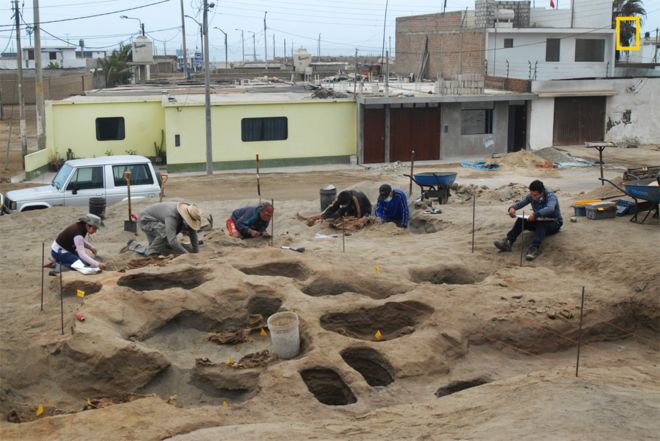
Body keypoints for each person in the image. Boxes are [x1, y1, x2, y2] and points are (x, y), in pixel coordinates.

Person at [494, 180, 563, 261]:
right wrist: (512, 208)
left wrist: (535, 215)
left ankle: (534, 248)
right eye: (531, 194)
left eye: (535, 195)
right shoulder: (531, 195)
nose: (533, 197)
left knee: (542, 222)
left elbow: (550, 208)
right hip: (538, 220)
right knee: (521, 220)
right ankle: (508, 242)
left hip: (554, 223)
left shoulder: (551, 196)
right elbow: (521, 203)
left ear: (542, 192)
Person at [129, 201, 202, 256]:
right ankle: (147, 250)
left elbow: (193, 234)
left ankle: (154, 246)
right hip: (146, 221)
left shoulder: (188, 212)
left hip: (159, 222)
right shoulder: (172, 216)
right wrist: (187, 255)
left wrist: (196, 252)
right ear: (185, 216)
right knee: (163, 237)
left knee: (164, 246)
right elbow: (172, 241)